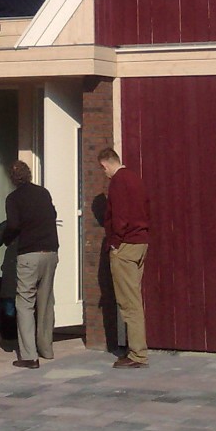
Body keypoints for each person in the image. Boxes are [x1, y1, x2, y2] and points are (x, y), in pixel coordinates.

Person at [2, 160, 59, 369]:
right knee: (46, 301)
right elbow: (53, 215)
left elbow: (13, 225)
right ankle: (46, 349)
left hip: (29, 254)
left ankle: (29, 356)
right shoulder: (43, 193)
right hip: (50, 252)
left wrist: (6, 239)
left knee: (25, 303)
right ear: (29, 174)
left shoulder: (13, 198)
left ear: (12, 179)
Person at [99, 147, 150, 368]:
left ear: (106, 164)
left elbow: (120, 216)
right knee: (134, 298)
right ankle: (137, 350)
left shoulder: (118, 181)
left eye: (103, 170)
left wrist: (115, 243)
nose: (105, 174)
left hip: (126, 245)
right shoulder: (135, 179)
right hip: (141, 242)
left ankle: (137, 354)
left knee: (129, 302)